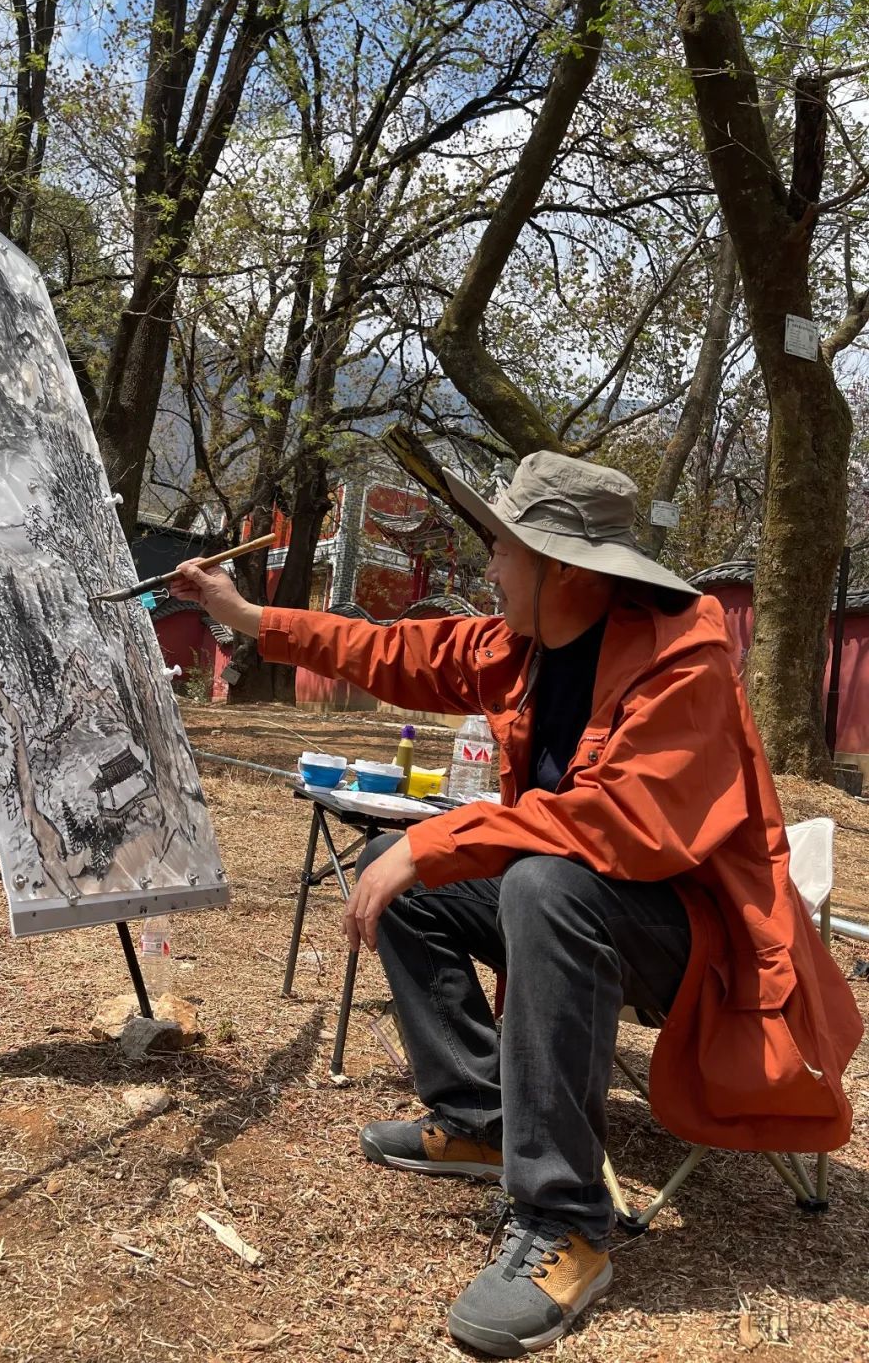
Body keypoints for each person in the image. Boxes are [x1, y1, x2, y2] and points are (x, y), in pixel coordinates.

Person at [170, 452, 862, 1359]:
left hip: (694, 944)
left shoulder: (686, 656)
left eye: (501, 548)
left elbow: (622, 824)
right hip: (580, 909)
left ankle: (567, 1221)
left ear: (562, 564)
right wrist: (251, 617)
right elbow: (399, 651)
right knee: (411, 878)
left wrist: (436, 840)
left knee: (534, 882)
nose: (489, 568)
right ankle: (482, 1118)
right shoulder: (525, 644)